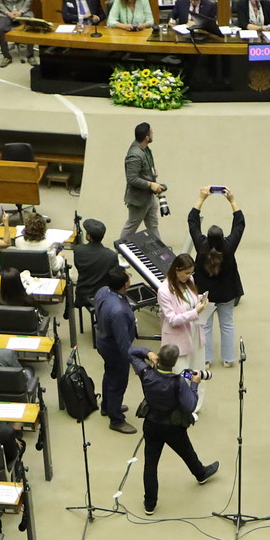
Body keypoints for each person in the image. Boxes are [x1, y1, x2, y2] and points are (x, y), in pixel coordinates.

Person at [128, 343, 218, 515]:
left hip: (152, 422)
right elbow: (190, 405)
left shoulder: (146, 374)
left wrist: (148, 353)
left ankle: (150, 503)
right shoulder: (178, 383)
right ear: (175, 362)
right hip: (172, 425)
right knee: (186, 451)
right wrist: (194, 384)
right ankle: (200, 473)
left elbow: (131, 352)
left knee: (150, 464)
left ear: (158, 359)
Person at [186, 189, 246, 366]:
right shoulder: (229, 246)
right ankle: (228, 359)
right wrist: (232, 200)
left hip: (206, 294)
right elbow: (239, 224)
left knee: (206, 326)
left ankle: (206, 359)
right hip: (227, 293)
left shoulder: (201, 246)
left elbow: (192, 222)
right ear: (222, 238)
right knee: (227, 324)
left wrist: (201, 198)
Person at [92, 266, 138, 435]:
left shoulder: (103, 291)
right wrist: (133, 359)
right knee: (118, 383)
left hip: (103, 341)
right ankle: (116, 419)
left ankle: (107, 406)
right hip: (115, 350)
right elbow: (123, 341)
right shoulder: (118, 311)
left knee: (109, 375)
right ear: (126, 284)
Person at [122, 121, 164, 239]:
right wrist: (150, 184)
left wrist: (152, 174)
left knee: (153, 226)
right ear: (146, 137)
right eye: (151, 132)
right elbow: (132, 178)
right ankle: (120, 250)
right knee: (131, 227)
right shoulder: (135, 155)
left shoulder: (145, 149)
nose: (152, 133)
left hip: (148, 197)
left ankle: (159, 251)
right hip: (138, 200)